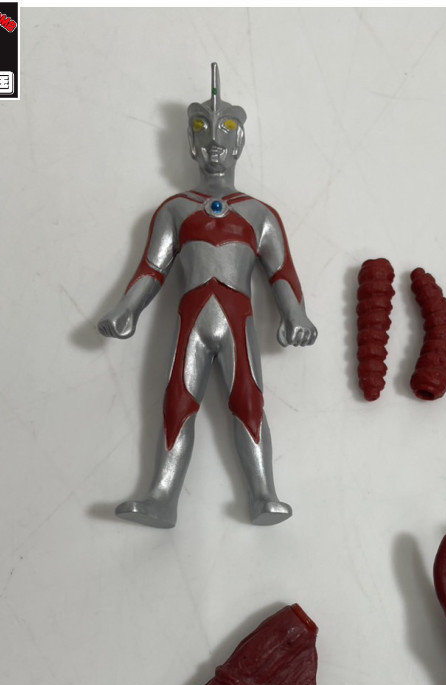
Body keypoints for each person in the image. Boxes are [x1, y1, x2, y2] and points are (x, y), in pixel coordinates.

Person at [99, 63, 318, 527]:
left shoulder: (259, 214)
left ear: (239, 143)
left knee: (249, 403)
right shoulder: (176, 210)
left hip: (236, 321)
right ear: (192, 143)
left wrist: (295, 314)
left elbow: (282, 272)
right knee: (177, 402)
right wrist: (125, 310)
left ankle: (264, 494)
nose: (215, 146)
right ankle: (162, 497)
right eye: (204, 133)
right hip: (193, 321)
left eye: (225, 135)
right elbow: (152, 269)